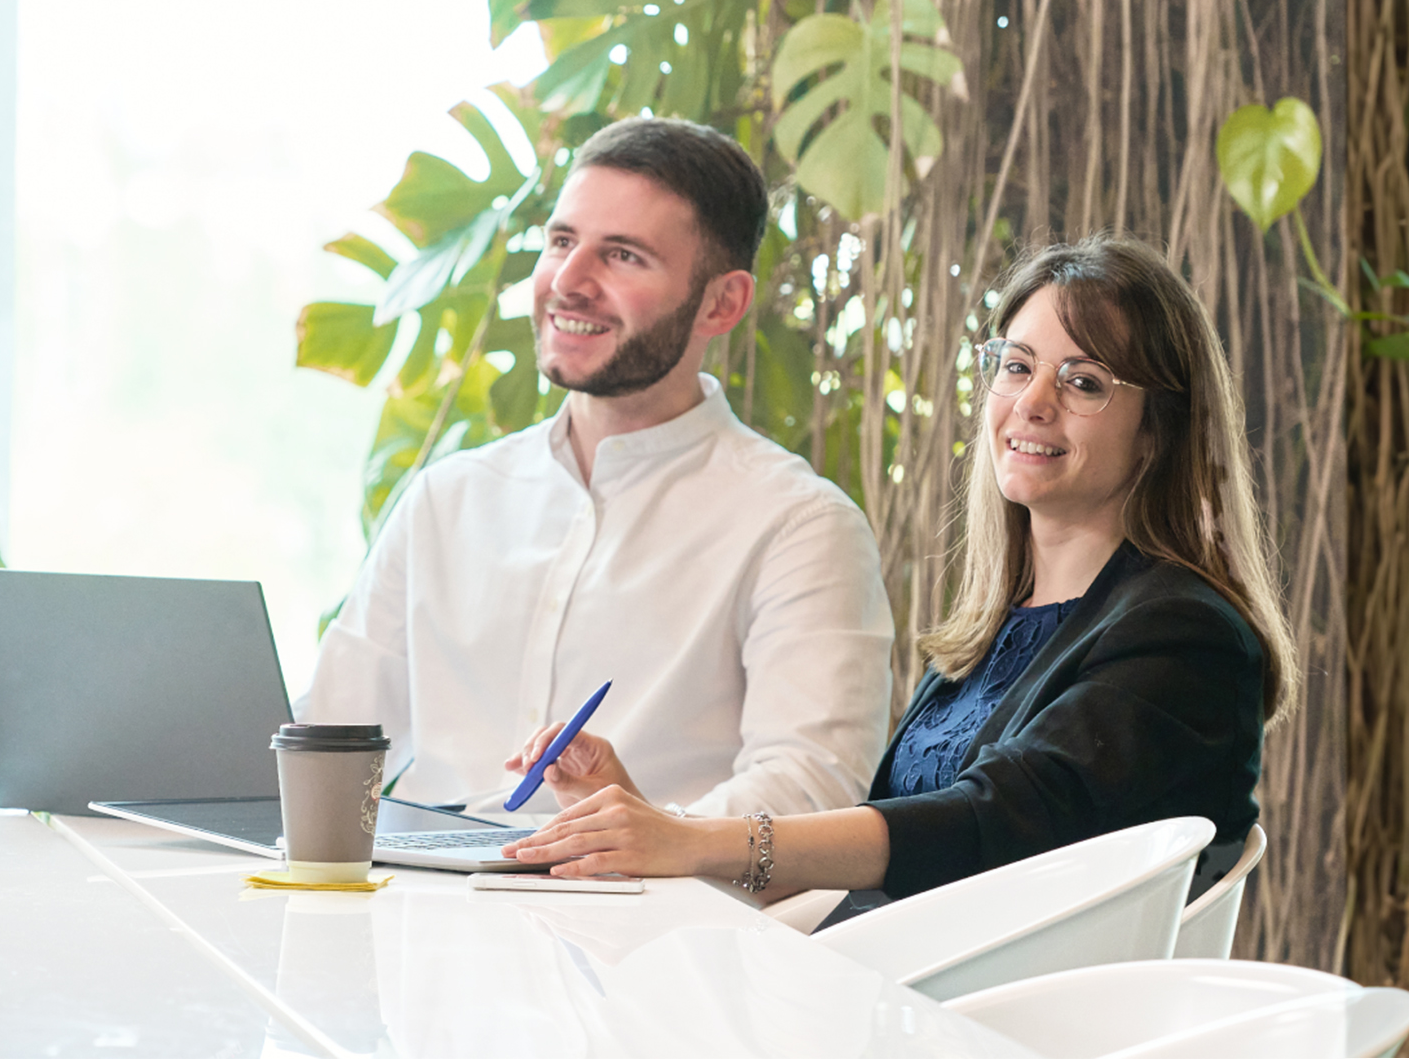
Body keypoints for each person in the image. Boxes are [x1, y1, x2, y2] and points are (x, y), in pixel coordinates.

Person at [502, 236, 1298, 905]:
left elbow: (987, 827)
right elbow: (881, 865)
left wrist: (693, 841)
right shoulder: (1001, 627)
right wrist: (637, 824)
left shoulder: (1185, 636)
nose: (1032, 402)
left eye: (1084, 382)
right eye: (1016, 366)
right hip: (889, 989)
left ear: (1160, 430)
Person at [298, 118, 894, 817]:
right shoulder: (447, 499)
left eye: (623, 256)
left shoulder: (799, 526)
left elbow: (810, 792)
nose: (569, 282)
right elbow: (328, 740)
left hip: (644, 916)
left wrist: (646, 837)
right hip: (418, 907)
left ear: (722, 303)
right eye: (560, 242)